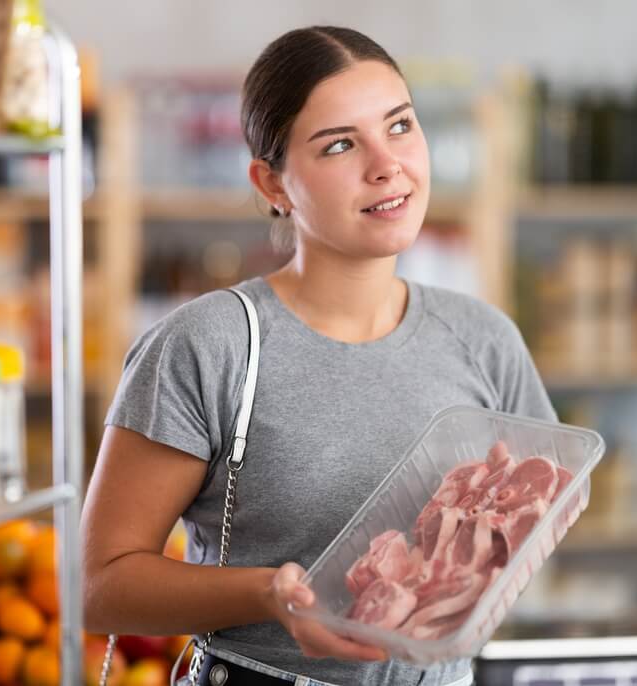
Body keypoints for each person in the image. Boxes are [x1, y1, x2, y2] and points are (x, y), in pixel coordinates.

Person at [81, 25, 556, 686]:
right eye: (339, 144)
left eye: (399, 126)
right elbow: (100, 585)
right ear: (272, 184)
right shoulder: (209, 346)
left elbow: (541, 514)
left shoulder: (485, 340)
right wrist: (266, 594)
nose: (387, 164)